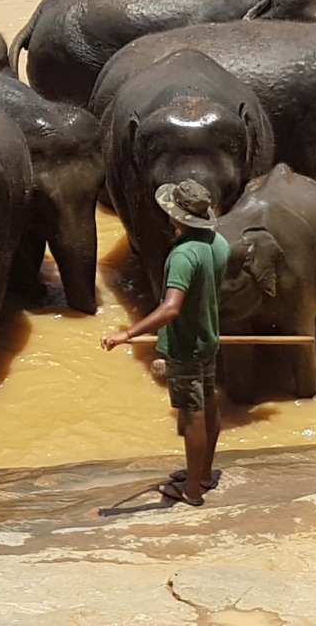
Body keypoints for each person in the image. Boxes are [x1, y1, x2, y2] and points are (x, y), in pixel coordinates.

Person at [102, 179, 231, 506]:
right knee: (208, 403)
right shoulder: (218, 244)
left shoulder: (183, 256)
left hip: (185, 345)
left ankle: (191, 491)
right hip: (208, 338)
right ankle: (201, 474)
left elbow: (171, 307)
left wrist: (127, 334)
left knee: (192, 414)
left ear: (176, 217)